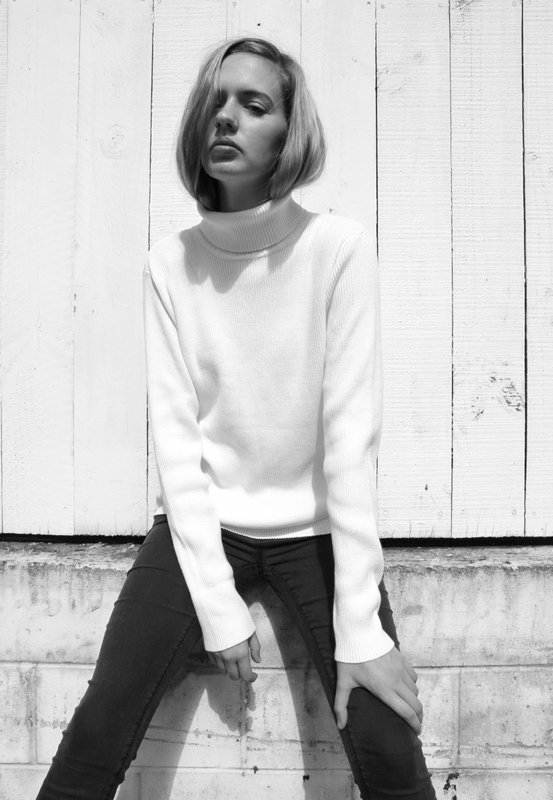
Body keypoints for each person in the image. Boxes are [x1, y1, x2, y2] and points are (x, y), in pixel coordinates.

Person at [36, 36, 437, 800]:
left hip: (318, 534)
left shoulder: (337, 249)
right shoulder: (169, 264)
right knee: (97, 728)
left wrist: (361, 629)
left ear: (288, 133)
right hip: (206, 525)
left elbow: (349, 442)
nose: (227, 118)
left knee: (388, 744)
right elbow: (177, 443)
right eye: (215, 102)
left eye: (253, 105)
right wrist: (218, 609)